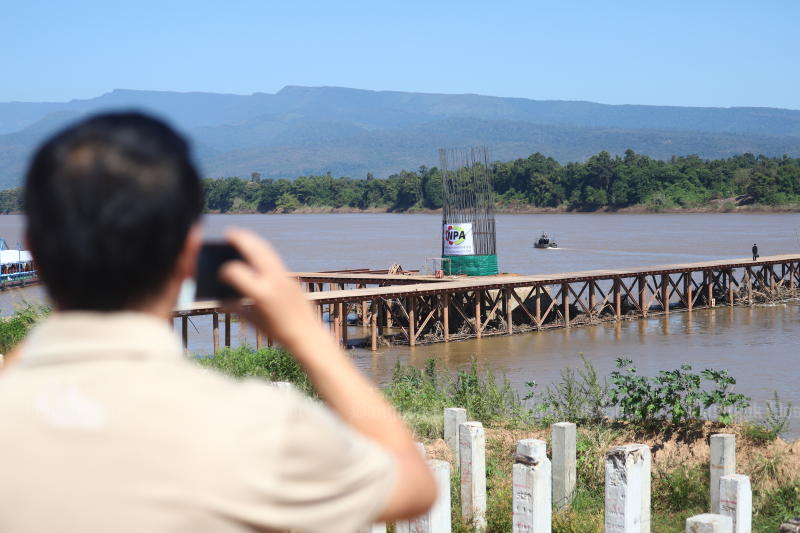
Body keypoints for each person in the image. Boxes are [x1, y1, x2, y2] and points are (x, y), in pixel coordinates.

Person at [0, 113, 436, 532]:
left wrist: (73, 290)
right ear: (189, 254)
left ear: (34, 253)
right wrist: (308, 335)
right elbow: (412, 484)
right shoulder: (256, 427)